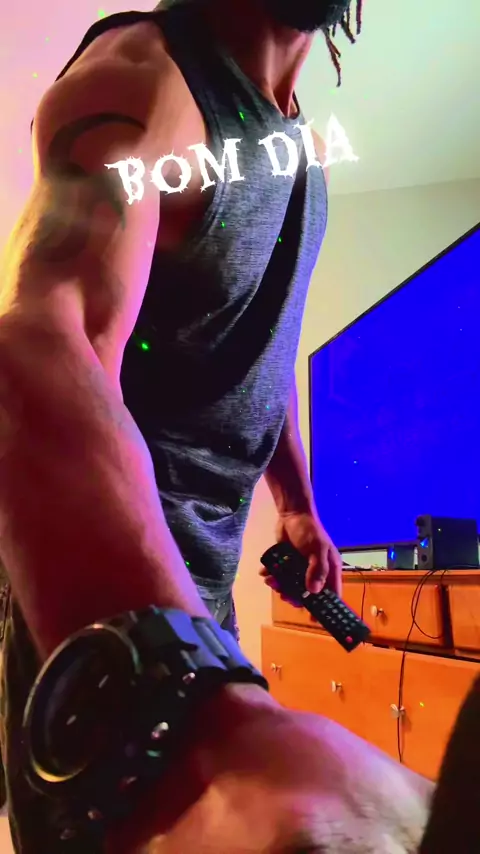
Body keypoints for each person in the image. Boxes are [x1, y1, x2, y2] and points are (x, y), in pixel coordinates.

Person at [0, 0, 451, 851]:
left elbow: (262, 352)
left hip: (203, 586)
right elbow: (41, 341)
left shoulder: (297, 150)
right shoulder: (144, 78)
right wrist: (201, 705)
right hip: (106, 594)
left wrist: (297, 503)